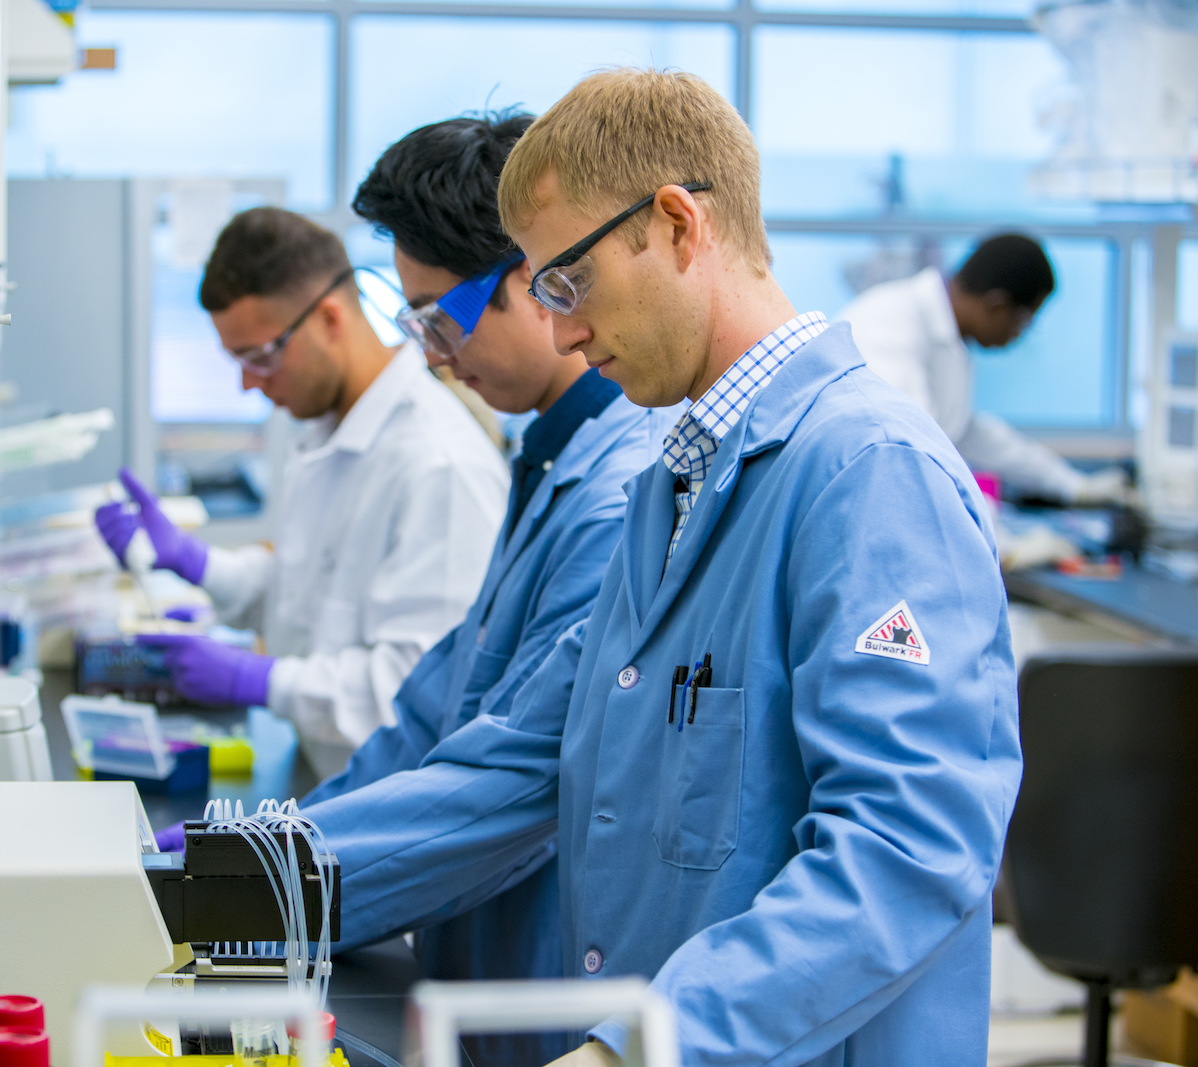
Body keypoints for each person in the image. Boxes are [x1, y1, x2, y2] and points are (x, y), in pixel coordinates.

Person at [303, 69, 1021, 1067]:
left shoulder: (868, 474)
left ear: (679, 225)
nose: (557, 328)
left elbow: (904, 851)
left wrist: (642, 1046)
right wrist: (251, 873)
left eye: (567, 282)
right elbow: (521, 754)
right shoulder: (671, 483)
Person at [302, 111, 676, 1067]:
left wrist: (258, 886)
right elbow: (436, 709)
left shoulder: (620, 495)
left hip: (542, 984)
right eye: (414, 318)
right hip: (476, 966)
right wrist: (260, 847)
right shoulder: (550, 459)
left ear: (536, 275)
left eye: (443, 316)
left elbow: (518, 774)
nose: (430, 351)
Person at [95, 207, 509, 780]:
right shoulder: (329, 432)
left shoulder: (437, 464)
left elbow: (411, 691)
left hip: (391, 803)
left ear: (330, 320)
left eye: (260, 357)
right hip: (329, 773)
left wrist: (256, 679)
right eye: (235, 361)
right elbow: (305, 593)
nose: (247, 383)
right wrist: (194, 562)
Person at [837, 234, 1128, 503]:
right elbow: (916, 454)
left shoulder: (948, 340)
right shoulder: (892, 323)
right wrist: (1007, 546)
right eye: (1025, 322)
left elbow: (964, 432)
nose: (1019, 336)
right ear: (997, 306)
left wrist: (1073, 485)